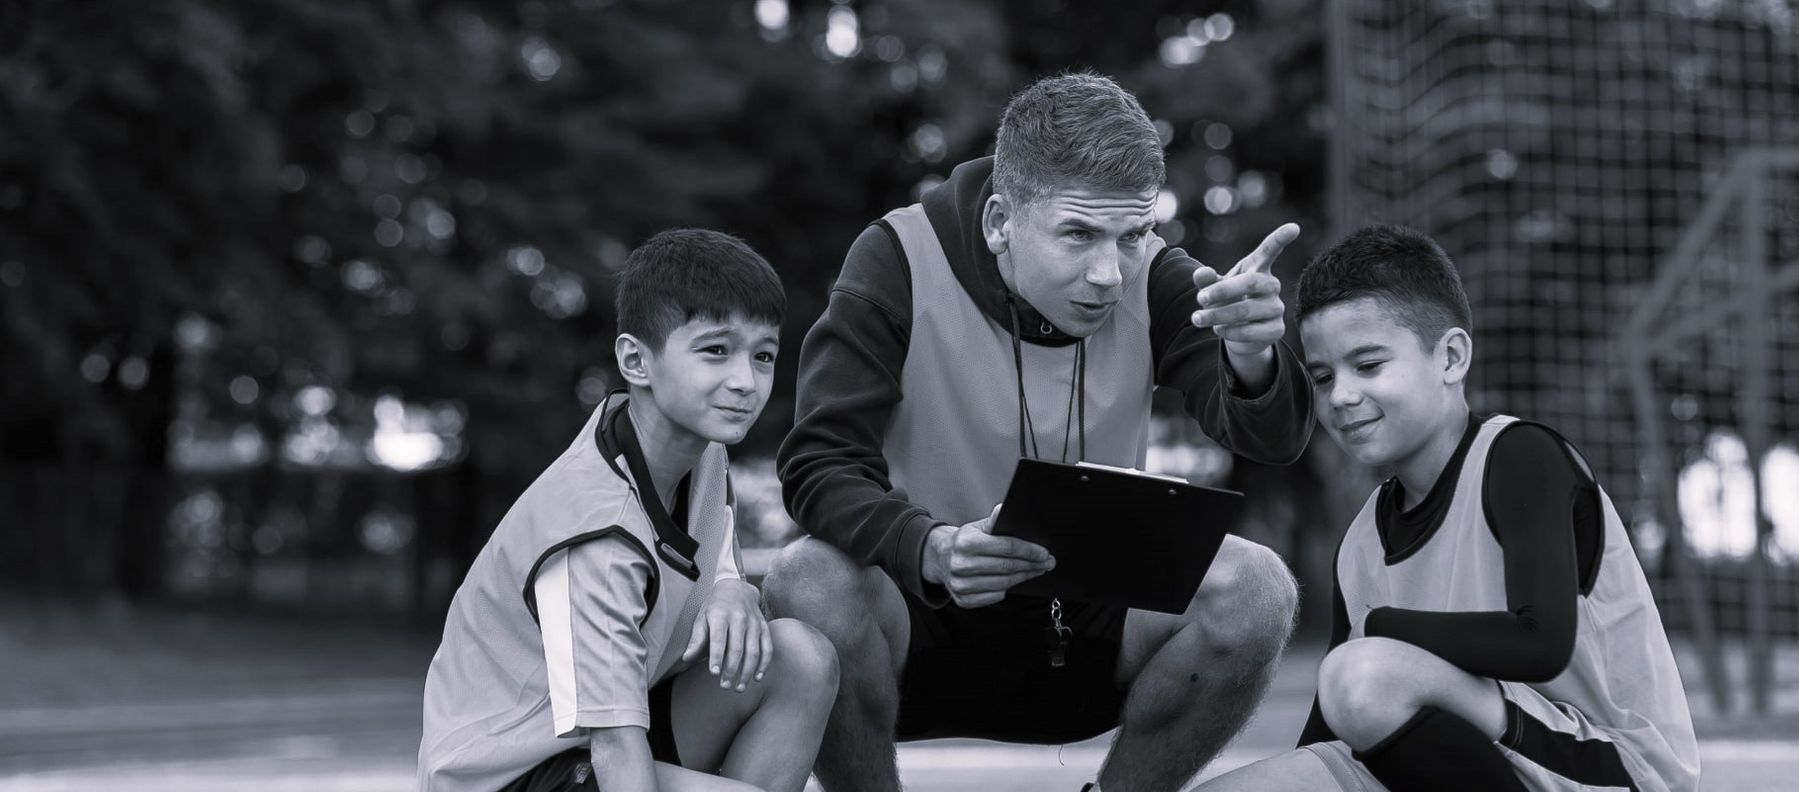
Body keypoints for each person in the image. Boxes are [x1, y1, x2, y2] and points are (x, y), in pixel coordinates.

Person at [765, 72, 1316, 792]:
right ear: (1001, 221)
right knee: (804, 577)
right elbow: (817, 463)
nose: (1109, 273)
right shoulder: (896, 257)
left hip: (1088, 633)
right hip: (919, 613)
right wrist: (926, 547)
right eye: (1078, 234)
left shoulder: (1156, 274)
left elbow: (1273, 439)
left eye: (1133, 234)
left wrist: (1253, 357)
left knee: (1258, 589)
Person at [1195, 225, 1699, 792]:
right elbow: (1334, 728)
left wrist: (1383, 629)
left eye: (1368, 365)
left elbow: (1540, 644)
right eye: (1323, 376)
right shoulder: (1362, 541)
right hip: (1468, 760)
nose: (1340, 396)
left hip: (1606, 767)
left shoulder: (1520, 457)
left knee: (1361, 675)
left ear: (1452, 357)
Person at [418, 230, 839, 792]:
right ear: (636, 361)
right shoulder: (596, 537)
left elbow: (718, 543)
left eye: (762, 355)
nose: (745, 382)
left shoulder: (701, 448)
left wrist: (730, 585)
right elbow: (615, 748)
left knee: (798, 658)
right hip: (513, 775)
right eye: (716, 350)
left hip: (590, 747)